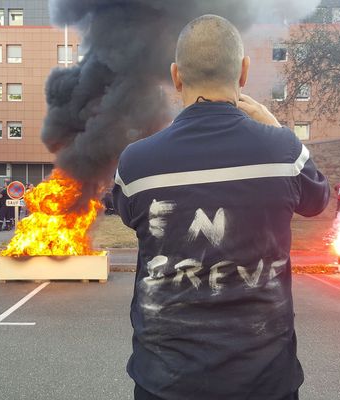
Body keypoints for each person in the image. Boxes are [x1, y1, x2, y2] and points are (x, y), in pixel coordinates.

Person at [113, 16, 329, 400]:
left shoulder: (136, 163)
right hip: (265, 382)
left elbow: (129, 214)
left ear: (176, 76)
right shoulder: (283, 153)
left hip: (165, 381)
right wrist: (276, 127)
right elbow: (317, 201)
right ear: (244, 72)